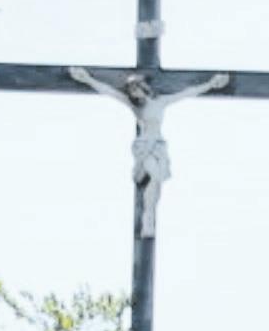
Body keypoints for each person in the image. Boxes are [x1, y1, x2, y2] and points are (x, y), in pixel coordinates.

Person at [68, 67, 229, 237]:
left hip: (159, 147)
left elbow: (187, 93)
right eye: (131, 92)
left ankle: (149, 216)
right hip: (144, 146)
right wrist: (87, 79)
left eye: (136, 89)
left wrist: (210, 84)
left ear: (143, 87)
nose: (134, 94)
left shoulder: (161, 102)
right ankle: (148, 219)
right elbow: (109, 91)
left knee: (157, 180)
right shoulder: (134, 106)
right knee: (154, 173)